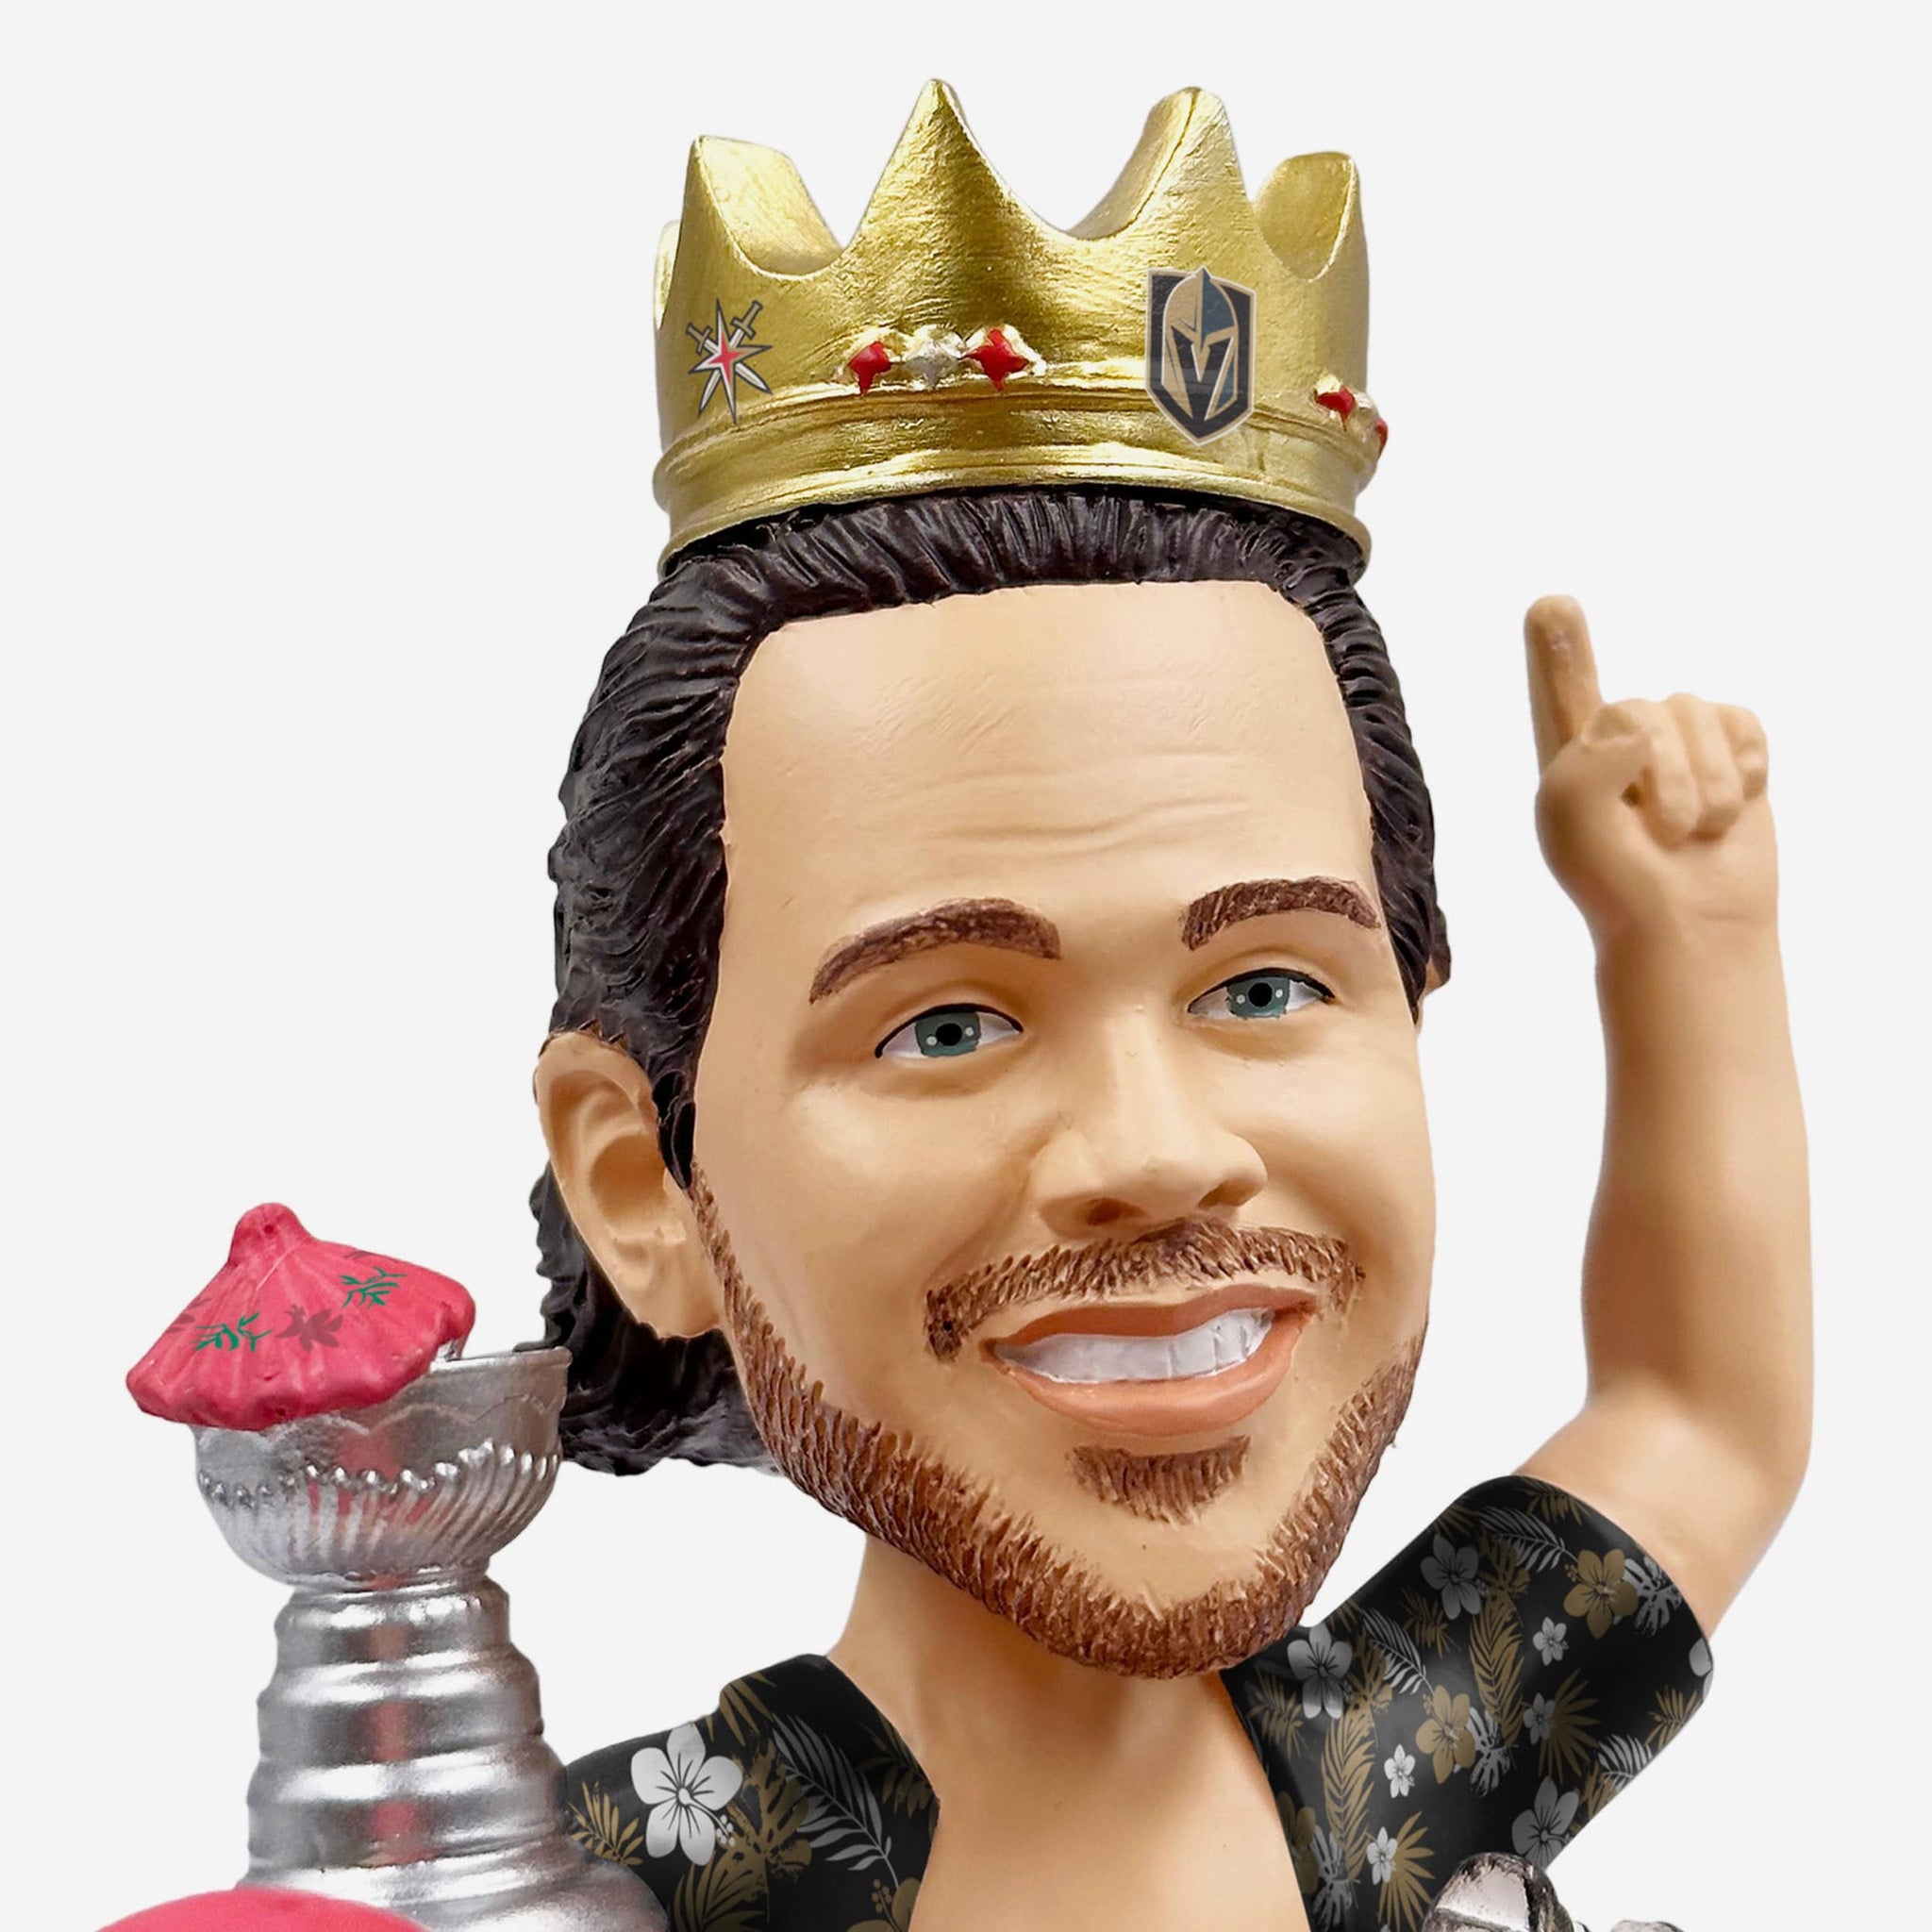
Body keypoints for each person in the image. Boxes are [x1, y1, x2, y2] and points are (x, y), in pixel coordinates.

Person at [531, 84, 1808, 1932]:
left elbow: (1702, 1416)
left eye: (1265, 985)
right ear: (646, 1183)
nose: (1155, 1152)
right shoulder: (637, 1883)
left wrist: (1689, 937)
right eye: (947, 1026)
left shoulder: (1394, 1760)